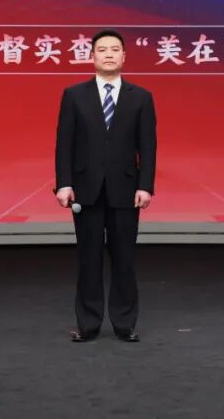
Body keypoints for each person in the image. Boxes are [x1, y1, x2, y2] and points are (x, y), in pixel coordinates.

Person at [55, 29, 157, 342]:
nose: (109, 54)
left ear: (124, 56)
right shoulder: (74, 95)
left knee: (124, 258)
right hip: (85, 189)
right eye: (102, 50)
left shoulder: (141, 97)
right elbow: (64, 144)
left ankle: (125, 323)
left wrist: (146, 185)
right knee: (88, 258)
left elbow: (148, 146)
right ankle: (88, 324)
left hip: (126, 189)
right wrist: (64, 183)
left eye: (115, 49)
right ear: (92, 56)